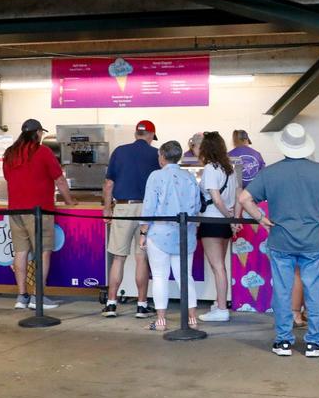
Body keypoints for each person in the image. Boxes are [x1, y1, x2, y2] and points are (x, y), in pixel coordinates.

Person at [239, 123, 319, 358]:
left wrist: (261, 218)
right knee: (314, 294)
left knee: (282, 292)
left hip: (281, 242)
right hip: (313, 242)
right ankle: (315, 343)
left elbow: (244, 198)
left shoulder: (270, 172)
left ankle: (283, 341)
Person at [2, 119, 77, 310]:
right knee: (42, 252)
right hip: (38, 211)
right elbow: (59, 179)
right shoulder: (42, 151)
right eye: (41, 133)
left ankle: (21, 297)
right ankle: (38, 297)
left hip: (15, 211)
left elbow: (9, 178)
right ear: (36, 133)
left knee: (20, 252)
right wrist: (70, 201)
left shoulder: (9, 153)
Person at [138, 141, 201, 331]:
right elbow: (197, 207)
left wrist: (143, 230)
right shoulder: (189, 177)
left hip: (159, 234)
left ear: (163, 156)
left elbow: (149, 205)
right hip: (185, 234)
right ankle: (192, 318)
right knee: (185, 277)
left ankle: (161, 321)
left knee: (159, 277)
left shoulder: (156, 176)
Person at [102, 120, 160, 318]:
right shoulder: (156, 154)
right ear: (151, 135)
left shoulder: (119, 151)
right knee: (141, 258)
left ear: (136, 134)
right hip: (147, 209)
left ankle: (111, 304)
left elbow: (109, 184)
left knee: (118, 258)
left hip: (123, 207)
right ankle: (142, 306)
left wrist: (107, 209)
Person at [196, 132, 242, 323]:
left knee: (217, 267)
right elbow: (240, 194)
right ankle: (219, 302)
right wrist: (233, 218)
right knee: (221, 266)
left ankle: (222, 309)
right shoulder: (229, 169)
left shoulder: (209, 168)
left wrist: (229, 216)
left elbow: (215, 199)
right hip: (223, 224)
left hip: (212, 221)